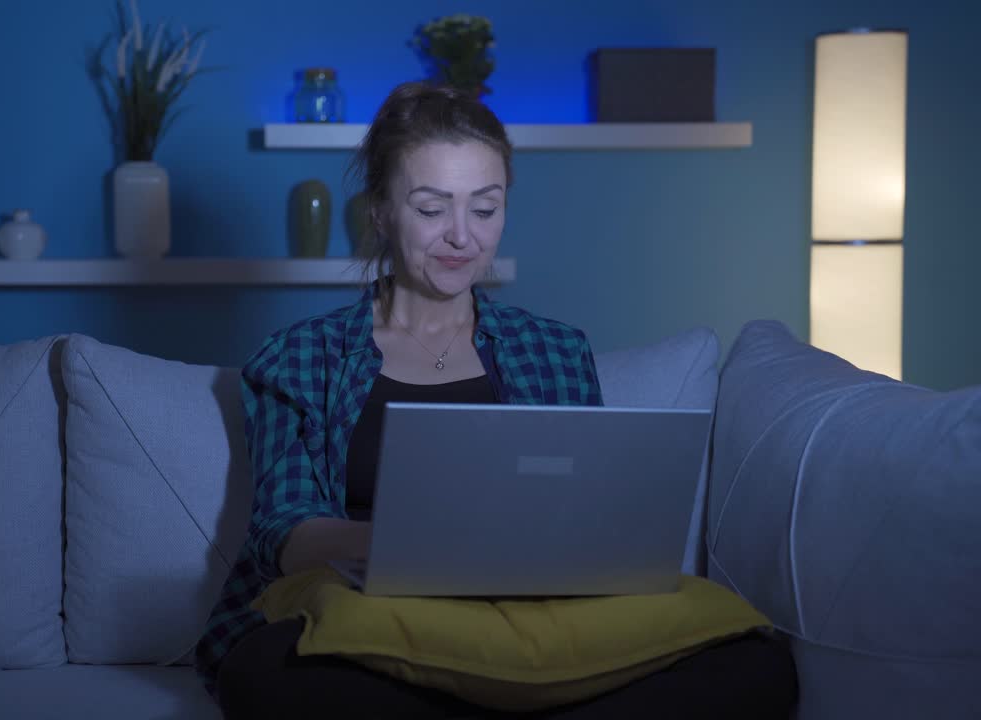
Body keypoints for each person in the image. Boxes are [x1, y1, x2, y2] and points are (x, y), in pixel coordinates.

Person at [195, 81, 798, 719]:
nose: (462, 237)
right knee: (268, 674)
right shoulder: (297, 358)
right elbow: (281, 531)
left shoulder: (556, 351)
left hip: (534, 621)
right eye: (432, 209)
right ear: (379, 212)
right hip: (368, 620)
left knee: (756, 666)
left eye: (484, 209)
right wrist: (408, 544)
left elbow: (582, 515)